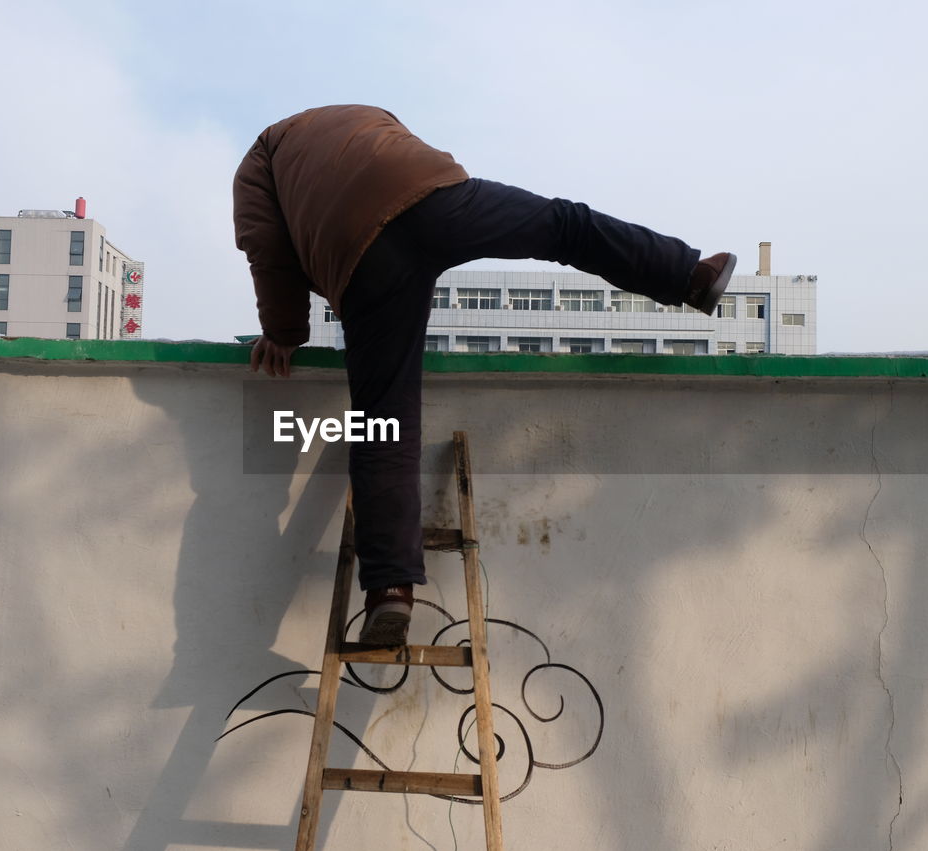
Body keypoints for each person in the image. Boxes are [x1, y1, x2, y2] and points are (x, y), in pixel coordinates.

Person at [234, 104, 735, 646]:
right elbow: (409, 151)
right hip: (431, 195)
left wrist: (284, 332)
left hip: (359, 255)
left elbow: (266, 248)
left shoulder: (258, 162)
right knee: (562, 225)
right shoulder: (361, 115)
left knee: (384, 420)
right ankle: (689, 276)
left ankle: (389, 590)